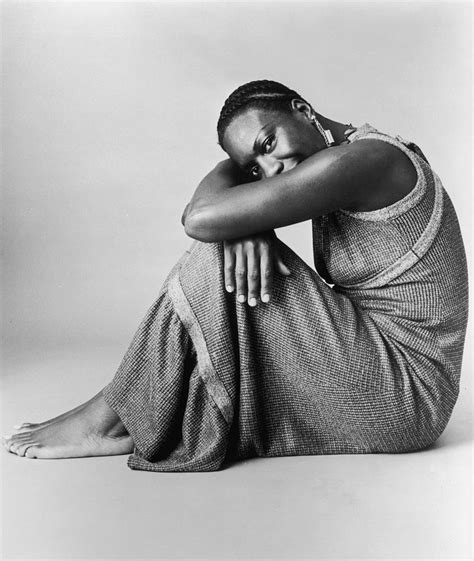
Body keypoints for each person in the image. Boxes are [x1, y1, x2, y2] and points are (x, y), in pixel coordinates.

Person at [2, 80, 468, 472]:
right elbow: (214, 213)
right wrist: (251, 218)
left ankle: (111, 414)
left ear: (303, 111)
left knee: (214, 252)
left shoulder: (366, 161)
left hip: (405, 395)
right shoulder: (343, 151)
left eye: (268, 144)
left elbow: (201, 218)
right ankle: (129, 408)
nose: (271, 170)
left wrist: (246, 218)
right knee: (227, 242)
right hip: (378, 359)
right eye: (253, 168)